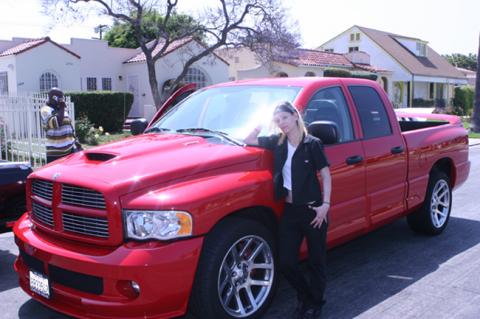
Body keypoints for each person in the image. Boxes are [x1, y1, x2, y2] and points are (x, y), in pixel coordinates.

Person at [244, 101, 331, 319]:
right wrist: (262, 122)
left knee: (316, 261)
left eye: (284, 117)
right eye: (277, 119)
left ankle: (316, 303)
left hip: (313, 211)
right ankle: (305, 297)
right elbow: (249, 140)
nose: (281, 123)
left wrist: (325, 206)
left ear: (295, 116)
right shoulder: (278, 142)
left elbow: (326, 174)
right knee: (286, 262)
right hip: (290, 210)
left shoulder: (312, 143)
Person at [40, 88, 79, 163]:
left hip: (69, 151)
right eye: (60, 97)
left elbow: (69, 127)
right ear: (54, 98)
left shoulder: (61, 110)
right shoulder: (45, 110)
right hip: (55, 153)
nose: (62, 99)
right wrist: (62, 107)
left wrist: (76, 142)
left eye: (62, 97)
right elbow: (57, 123)